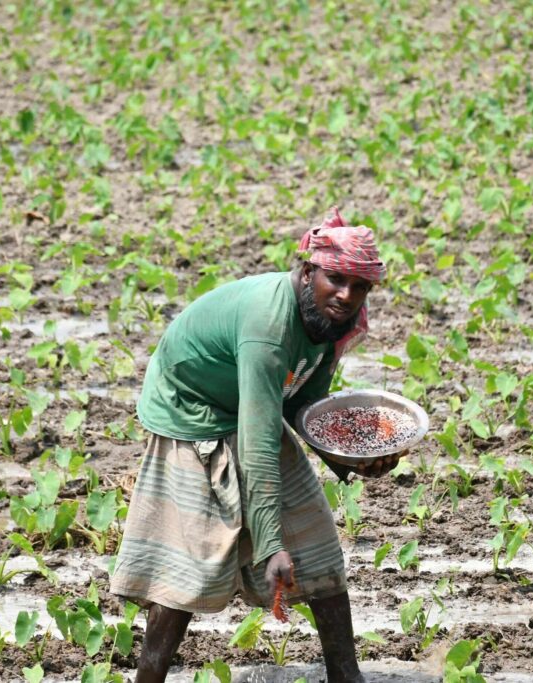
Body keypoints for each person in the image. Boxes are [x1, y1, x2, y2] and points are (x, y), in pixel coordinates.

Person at [110, 207, 399, 682]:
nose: (347, 296)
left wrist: (351, 461)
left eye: (360, 286)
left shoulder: (329, 321)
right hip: (193, 409)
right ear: (308, 272)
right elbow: (260, 445)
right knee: (194, 559)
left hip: (254, 401)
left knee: (317, 545)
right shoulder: (270, 324)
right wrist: (269, 550)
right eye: (336, 279)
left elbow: (303, 405)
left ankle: (347, 678)